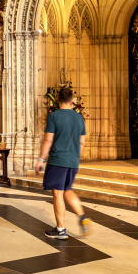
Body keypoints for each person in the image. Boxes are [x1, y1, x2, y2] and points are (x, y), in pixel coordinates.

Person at [35, 87, 93, 240]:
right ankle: (82, 216)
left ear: (57, 100)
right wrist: (73, 155)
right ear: (72, 101)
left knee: (58, 193)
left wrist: (40, 159)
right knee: (67, 189)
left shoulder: (54, 117)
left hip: (58, 160)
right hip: (73, 160)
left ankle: (60, 229)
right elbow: (82, 142)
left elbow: (48, 140)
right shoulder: (79, 118)